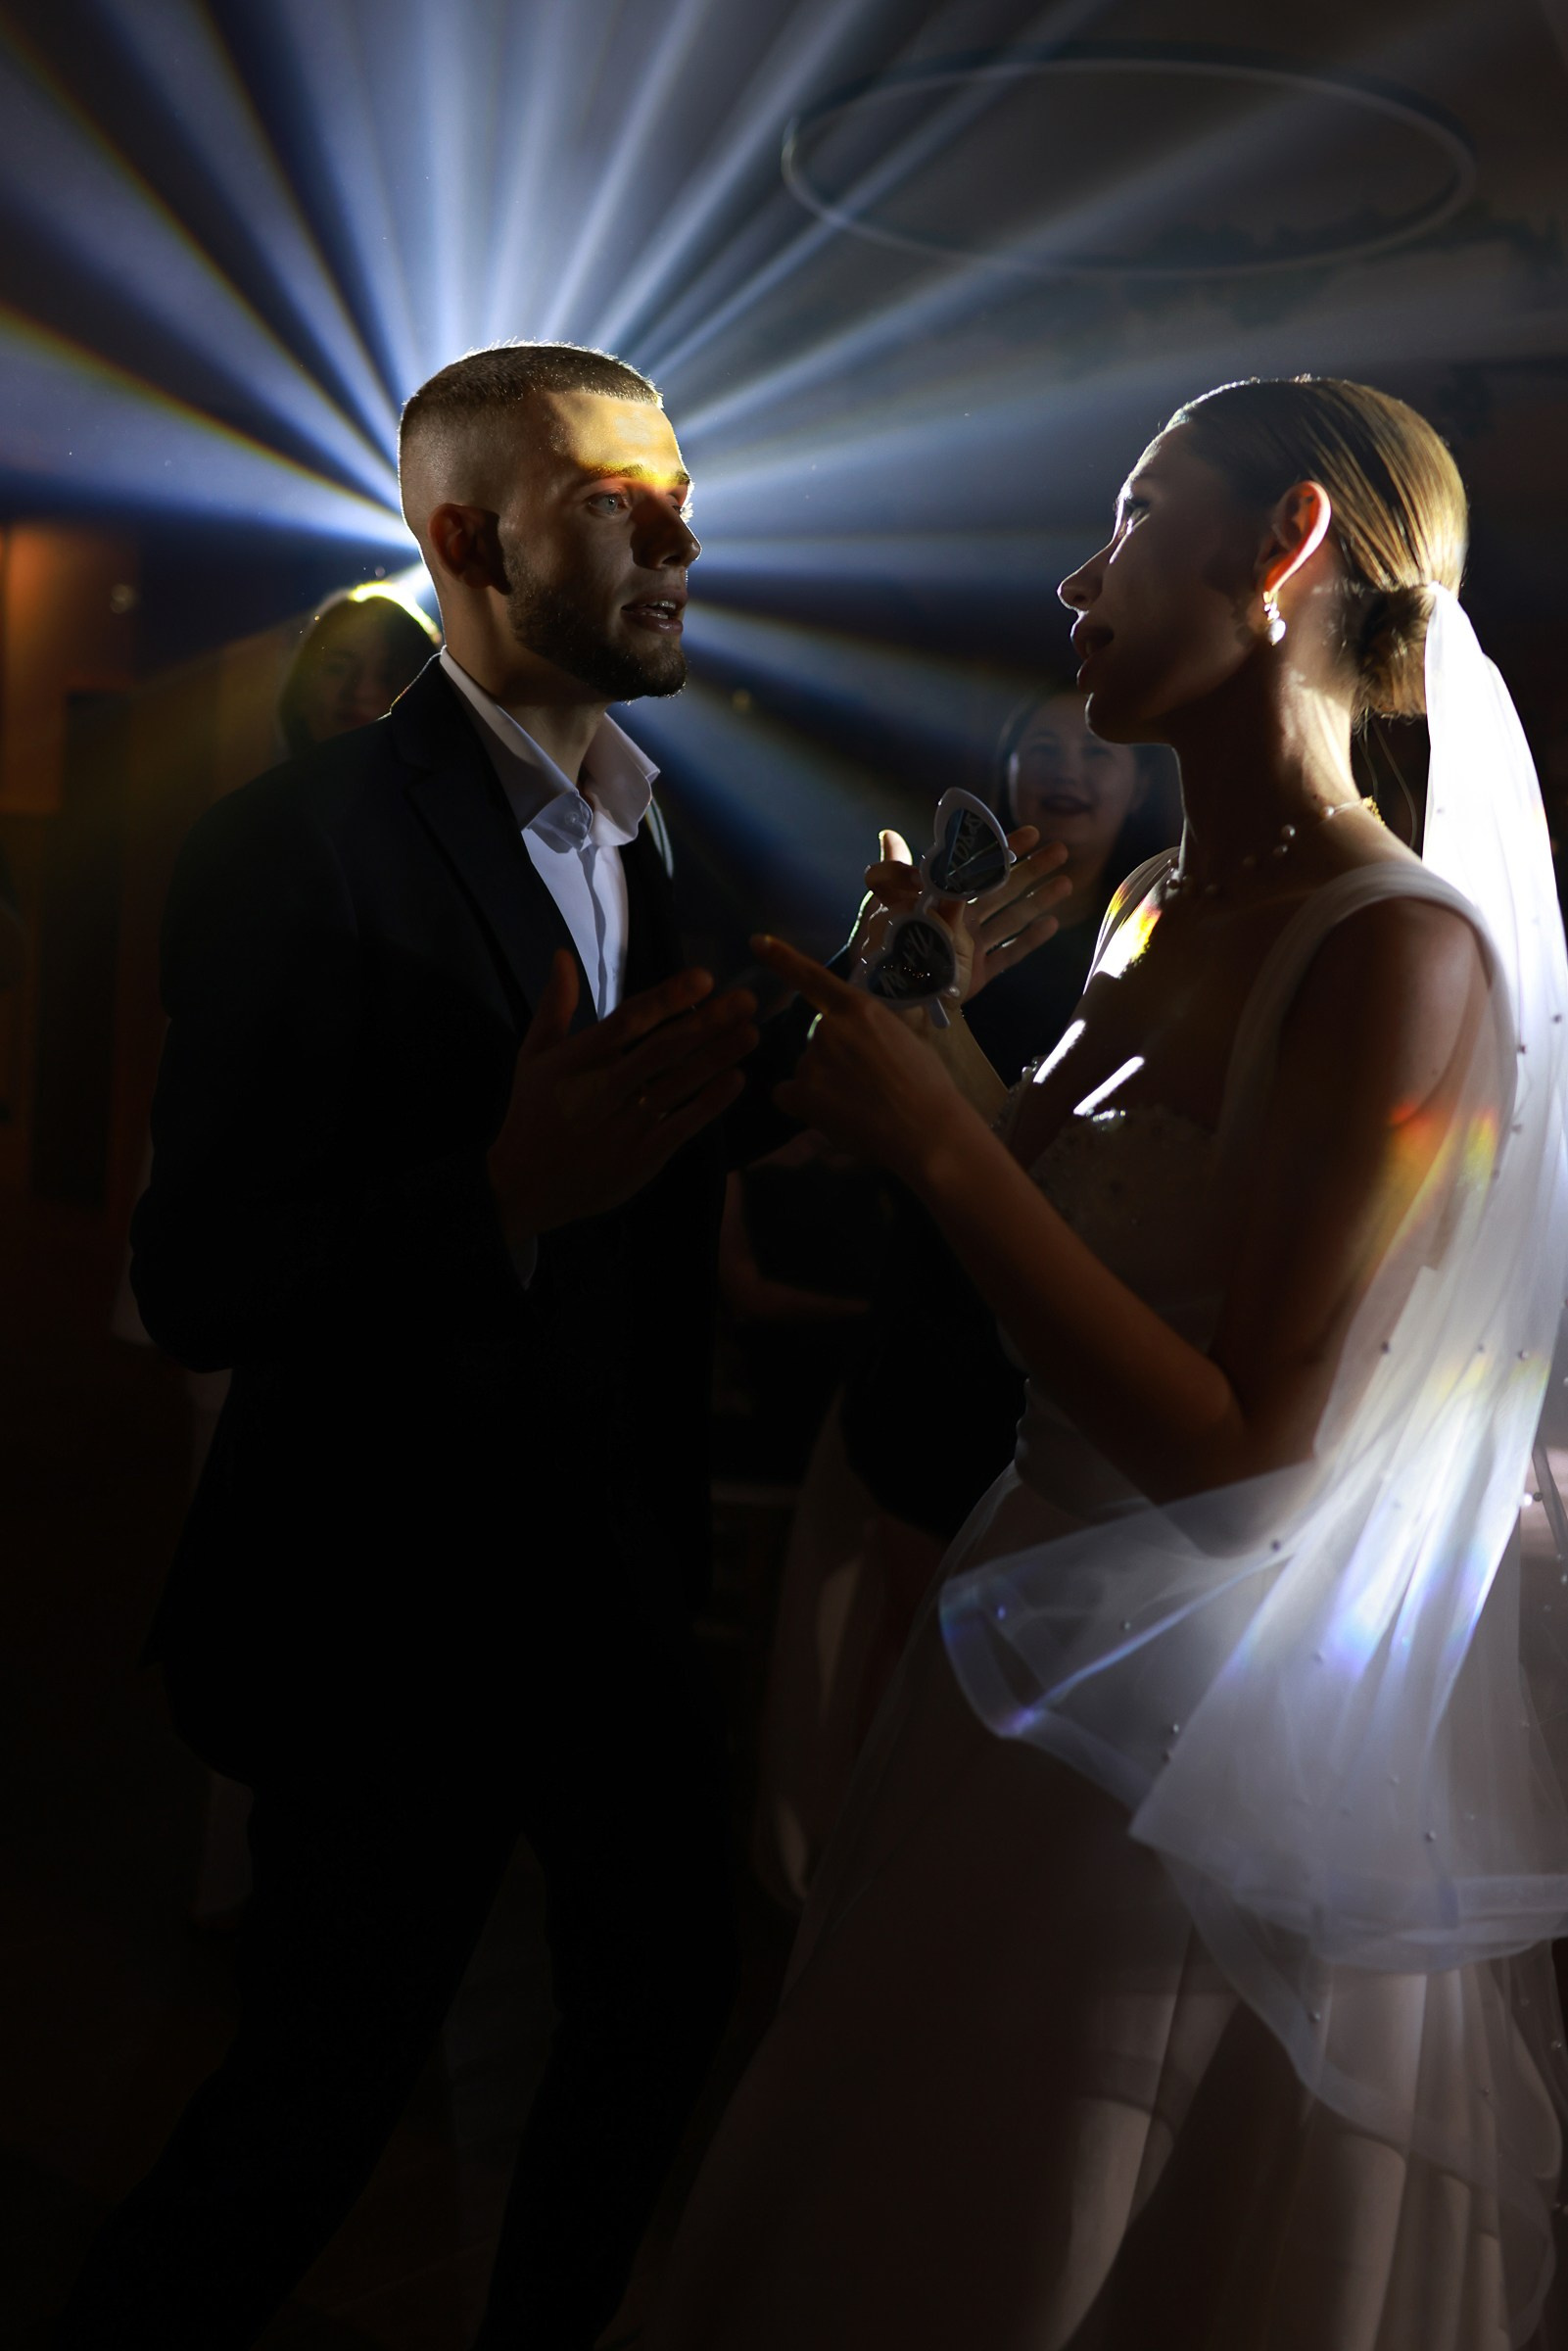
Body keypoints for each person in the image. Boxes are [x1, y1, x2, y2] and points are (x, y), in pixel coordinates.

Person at [646, 376, 1568, 2350]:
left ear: (1282, 547)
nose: (1078, 579)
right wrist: (921, 1037)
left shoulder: (1393, 951)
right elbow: (1054, 1229)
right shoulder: (1153, 904)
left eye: (1135, 517)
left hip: (1186, 1743)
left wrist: (943, 1144)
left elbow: (1247, 1463)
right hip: (1016, 1617)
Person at [56, 340, 777, 2351]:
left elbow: (656, 1153)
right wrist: (493, 1199)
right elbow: (197, 1278)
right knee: (313, 2106)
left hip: (610, 1576)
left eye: (680, 498)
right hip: (387, 1606)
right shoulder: (296, 844)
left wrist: (843, 1035)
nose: (677, 543)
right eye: (615, 504)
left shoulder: (656, 831)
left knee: (660, 2000)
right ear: (466, 540)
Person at [753, 696, 1169, 1905]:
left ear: (1140, 785)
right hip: (936, 1321)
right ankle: (872, 1899)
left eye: (1094, 749)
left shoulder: (1157, 947)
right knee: (914, 1637)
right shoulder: (951, 925)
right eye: (1040, 748)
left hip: (1069, 1336)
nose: (1065, 768)